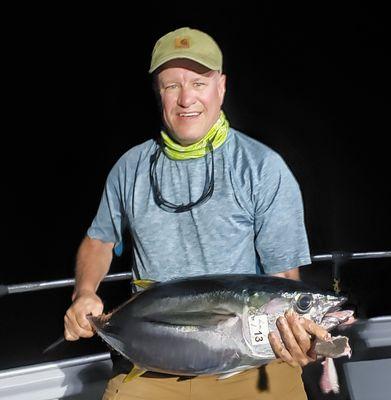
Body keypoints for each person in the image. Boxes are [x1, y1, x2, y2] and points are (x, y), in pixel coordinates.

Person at [64, 27, 330, 400]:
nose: (186, 98)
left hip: (251, 365)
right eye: (172, 85)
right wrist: (84, 293)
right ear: (158, 92)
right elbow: (99, 239)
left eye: (199, 82)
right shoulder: (130, 168)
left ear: (221, 86)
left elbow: (283, 279)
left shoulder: (261, 168)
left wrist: (297, 334)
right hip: (150, 363)